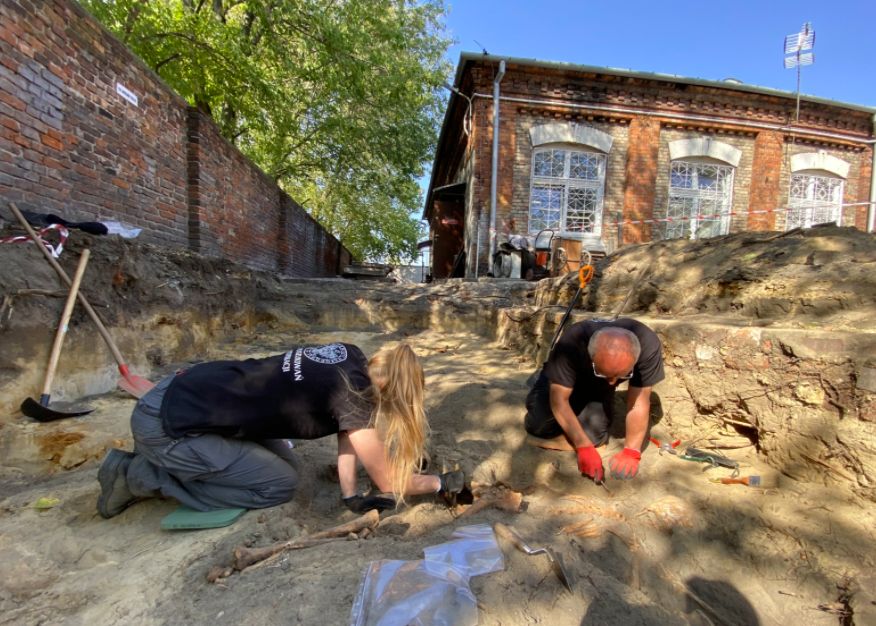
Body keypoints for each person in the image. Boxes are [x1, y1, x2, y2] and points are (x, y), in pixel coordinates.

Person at [97, 342, 465, 518]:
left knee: (288, 467)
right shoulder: (354, 400)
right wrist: (440, 484)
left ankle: (201, 452)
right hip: (167, 427)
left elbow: (347, 432)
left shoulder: (350, 357)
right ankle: (136, 475)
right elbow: (390, 483)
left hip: (184, 390)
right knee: (279, 486)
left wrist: (350, 494)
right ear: (397, 392)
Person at [524, 318, 664, 482]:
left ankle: (597, 391)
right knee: (538, 426)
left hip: (597, 386)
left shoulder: (648, 346)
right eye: (607, 375)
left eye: (621, 376)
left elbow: (639, 402)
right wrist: (582, 447)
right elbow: (559, 400)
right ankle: (543, 380)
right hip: (568, 377)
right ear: (591, 359)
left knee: (594, 438)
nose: (613, 383)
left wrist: (632, 451)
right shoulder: (573, 342)